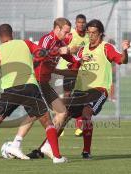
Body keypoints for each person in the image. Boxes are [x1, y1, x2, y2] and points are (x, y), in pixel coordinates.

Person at [28, 19, 130, 159]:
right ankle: (42, 149)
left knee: (86, 113)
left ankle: (86, 151)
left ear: (100, 33)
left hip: (98, 89)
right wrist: (57, 71)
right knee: (63, 116)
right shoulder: (82, 50)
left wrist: (125, 49)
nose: (91, 35)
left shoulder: (107, 48)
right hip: (80, 90)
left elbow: (122, 60)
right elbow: (75, 71)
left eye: (94, 33)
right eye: (89, 33)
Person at [0, 23, 67, 163]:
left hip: (10, 91)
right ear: (12, 33)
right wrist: (50, 54)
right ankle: (57, 157)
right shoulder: (25, 43)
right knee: (47, 121)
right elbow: (41, 52)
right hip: (30, 87)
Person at [9, 17, 79, 159]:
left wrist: (81, 60)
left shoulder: (60, 43)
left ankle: (45, 146)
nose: (67, 36)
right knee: (38, 114)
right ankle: (16, 145)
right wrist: (60, 50)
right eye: (65, 32)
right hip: (36, 81)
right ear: (57, 29)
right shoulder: (47, 39)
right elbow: (39, 55)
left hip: (45, 83)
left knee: (61, 112)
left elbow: (71, 59)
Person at [57, 14, 90, 137]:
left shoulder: (88, 36)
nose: (81, 24)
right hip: (69, 69)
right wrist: (71, 50)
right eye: (79, 22)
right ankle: (61, 122)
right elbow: (61, 48)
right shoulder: (70, 35)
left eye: (83, 22)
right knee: (68, 95)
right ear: (76, 24)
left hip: (83, 70)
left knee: (81, 96)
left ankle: (79, 126)